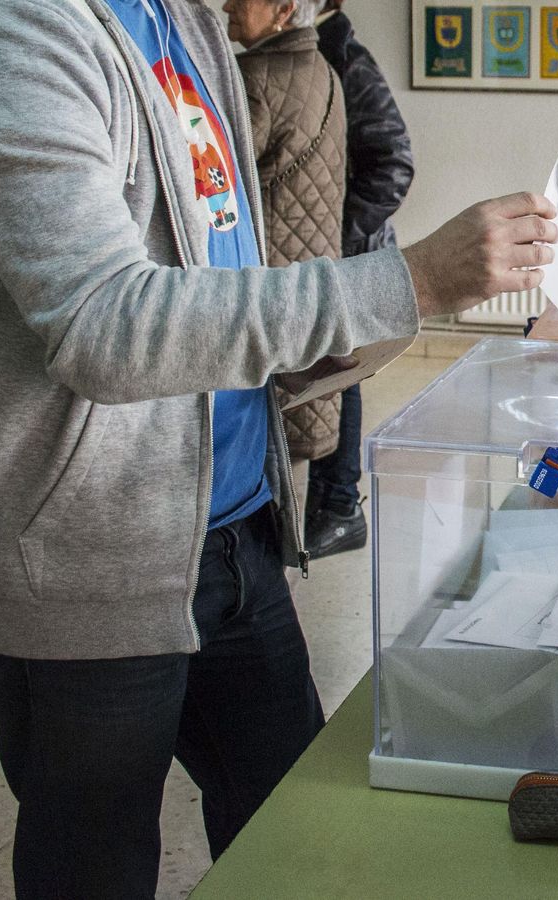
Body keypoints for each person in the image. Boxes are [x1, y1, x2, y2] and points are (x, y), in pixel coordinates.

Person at [0, 0, 557, 894]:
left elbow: (209, 266)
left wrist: (307, 341)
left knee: (299, 841)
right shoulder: (2, 32)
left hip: (235, 528)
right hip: (87, 556)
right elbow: (102, 324)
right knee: (97, 861)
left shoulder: (178, 19)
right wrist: (410, 277)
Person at [227, 0, 349, 587]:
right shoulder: (322, 70)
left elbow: (207, 190)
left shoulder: (254, 82)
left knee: (256, 459)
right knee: (287, 452)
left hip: (266, 290)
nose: (225, 4)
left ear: (280, 10)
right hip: (311, 292)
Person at [305, 0, 417, 559]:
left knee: (340, 376)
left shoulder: (344, 57)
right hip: (331, 248)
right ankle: (328, 502)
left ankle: (340, 506)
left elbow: (394, 162)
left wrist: (339, 234)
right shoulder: (320, 53)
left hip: (347, 249)